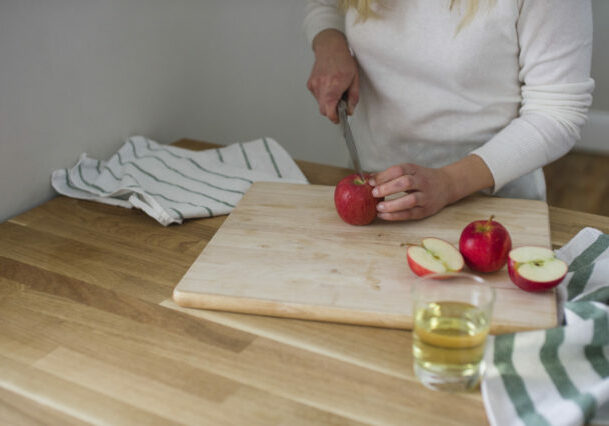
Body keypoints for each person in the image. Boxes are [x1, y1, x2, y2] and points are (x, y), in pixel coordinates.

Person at [304, 0, 594, 221]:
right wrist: (329, 39)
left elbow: (557, 112)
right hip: (375, 191)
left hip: (491, 208)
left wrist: (450, 182)